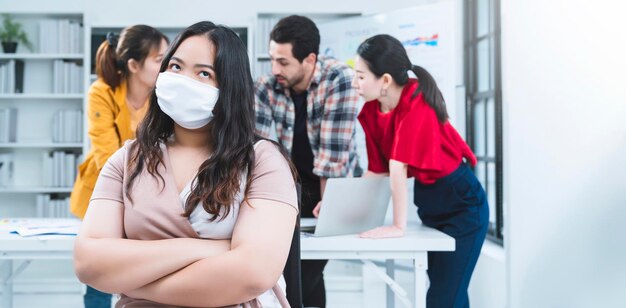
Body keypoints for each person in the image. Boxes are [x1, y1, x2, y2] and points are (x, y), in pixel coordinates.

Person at [73, 21, 298, 307]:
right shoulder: (127, 160)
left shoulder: (263, 161)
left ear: (230, 87)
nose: (183, 80)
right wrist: (210, 249)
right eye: (176, 67)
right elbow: (88, 262)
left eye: (204, 73)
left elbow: (252, 274)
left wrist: (136, 285)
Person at [349, 34, 489, 307]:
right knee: (449, 292)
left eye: (361, 76)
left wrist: (398, 227)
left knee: (443, 297)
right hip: (430, 203)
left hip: (463, 205)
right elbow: (378, 171)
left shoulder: (418, 101)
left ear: (385, 80)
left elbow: (397, 166)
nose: (355, 84)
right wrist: (340, 205)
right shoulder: (370, 112)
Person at [254, 15, 361, 308]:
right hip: (294, 183)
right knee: (295, 263)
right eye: (272, 59)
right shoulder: (265, 87)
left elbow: (333, 154)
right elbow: (255, 151)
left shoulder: (339, 79)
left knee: (304, 270)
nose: (275, 69)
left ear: (310, 59)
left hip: (335, 184)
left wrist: (330, 208)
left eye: (284, 62)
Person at [69, 24, 168, 308]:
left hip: (148, 198)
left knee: (142, 274)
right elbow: (106, 156)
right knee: (100, 275)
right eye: (160, 59)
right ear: (135, 64)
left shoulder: (162, 96)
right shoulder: (101, 92)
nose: (167, 66)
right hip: (103, 193)